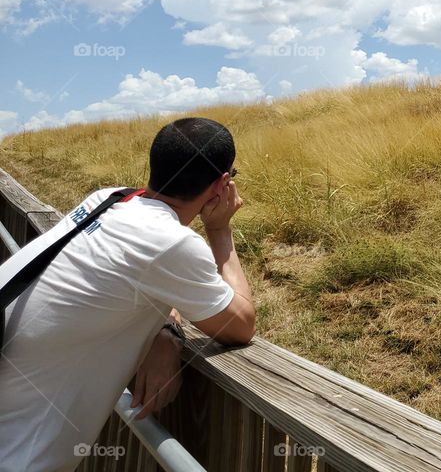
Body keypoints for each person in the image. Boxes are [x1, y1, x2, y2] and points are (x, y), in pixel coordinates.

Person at [0, 117, 255, 472]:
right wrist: (220, 229)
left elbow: (125, 279)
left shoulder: (107, 199)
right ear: (222, 184)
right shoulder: (172, 243)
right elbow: (239, 324)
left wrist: (165, 332)